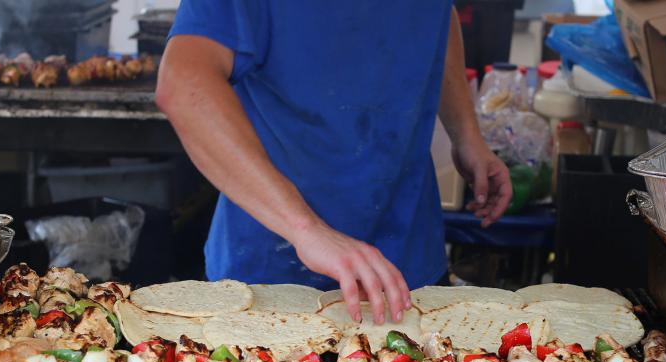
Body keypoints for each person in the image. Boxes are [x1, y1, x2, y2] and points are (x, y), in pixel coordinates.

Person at [155, 1, 511, 326]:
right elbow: (183, 82)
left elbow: (436, 16)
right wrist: (306, 230)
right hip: (275, 279)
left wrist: (466, 135)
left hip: (409, 266)